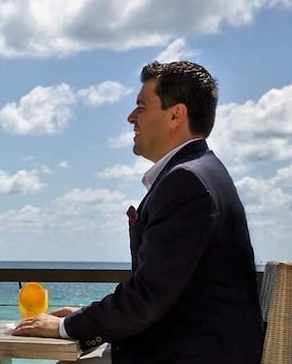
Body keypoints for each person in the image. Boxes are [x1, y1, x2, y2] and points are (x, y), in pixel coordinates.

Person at [13, 61, 264, 364]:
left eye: (141, 107)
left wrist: (66, 327)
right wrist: (85, 319)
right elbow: (165, 291)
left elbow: (148, 296)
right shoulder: (202, 172)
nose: (131, 117)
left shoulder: (187, 182)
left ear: (176, 115)